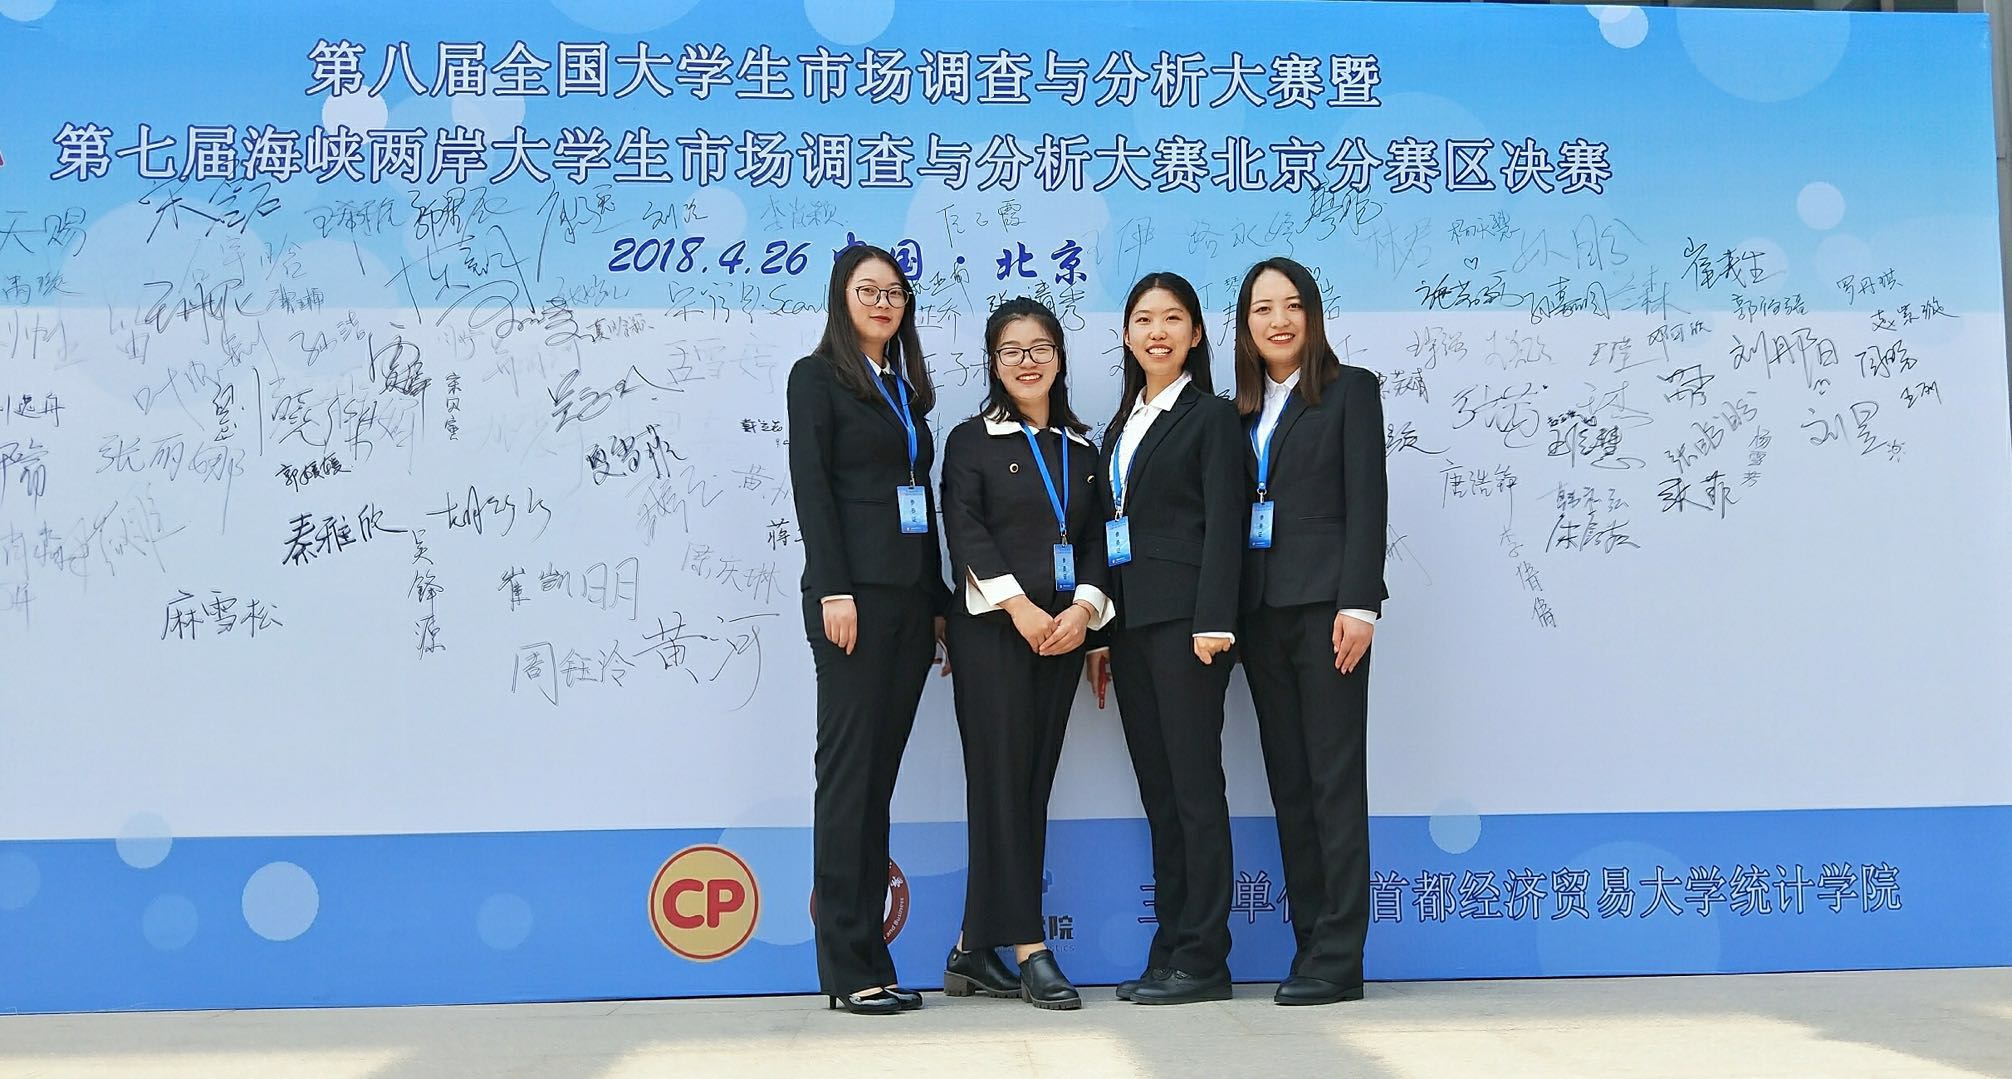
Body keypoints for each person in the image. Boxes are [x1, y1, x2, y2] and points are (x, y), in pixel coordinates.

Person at [786, 244, 951, 1016]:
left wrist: (939, 600)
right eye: (868, 290)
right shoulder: (816, 377)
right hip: (851, 602)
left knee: (877, 784)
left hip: (910, 605)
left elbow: (922, 502)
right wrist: (834, 587)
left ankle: (874, 960)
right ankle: (845, 967)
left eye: (894, 292)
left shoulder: (905, 392)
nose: (884, 302)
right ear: (841, 297)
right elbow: (813, 489)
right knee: (848, 782)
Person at [937, 297, 1115, 1012]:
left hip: (1062, 637)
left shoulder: (1083, 451)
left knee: (1029, 785)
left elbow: (1099, 540)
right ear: (993, 361)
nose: (1027, 361)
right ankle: (1028, 947)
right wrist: (1021, 608)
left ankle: (970, 950)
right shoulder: (969, 440)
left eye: (1040, 347)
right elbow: (965, 530)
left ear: (1060, 358)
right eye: (1011, 350)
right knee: (1000, 785)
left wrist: (1084, 612)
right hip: (994, 635)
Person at [1231, 257, 1388, 1006]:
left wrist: (1360, 604)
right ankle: (1310, 944)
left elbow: (1368, 500)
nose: (1278, 320)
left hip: (1329, 614)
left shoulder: (1350, 389)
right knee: (1290, 784)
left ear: (1312, 315)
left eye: (1291, 305)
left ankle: (1341, 956)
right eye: (1262, 308)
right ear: (1245, 324)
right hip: (1261, 616)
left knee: (1333, 781)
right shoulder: (1236, 409)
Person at [1087, 272, 1245, 1005]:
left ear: (1196, 333)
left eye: (1173, 318)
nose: (1158, 332)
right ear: (1126, 335)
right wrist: (1100, 634)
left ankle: (1205, 957)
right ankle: (1172, 947)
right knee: (1161, 793)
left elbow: (1226, 524)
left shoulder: (1210, 417)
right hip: (1131, 628)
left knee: (1194, 790)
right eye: (1144, 320)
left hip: (1188, 628)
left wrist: (1215, 619)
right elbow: (1108, 533)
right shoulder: (1120, 426)